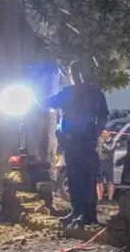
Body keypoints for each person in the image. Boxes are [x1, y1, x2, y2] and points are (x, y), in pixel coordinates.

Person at [43, 60, 109, 226]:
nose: (74, 77)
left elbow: (102, 117)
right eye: (72, 74)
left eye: (74, 73)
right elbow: (48, 103)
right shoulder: (68, 93)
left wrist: (94, 135)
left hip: (85, 141)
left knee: (87, 178)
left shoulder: (94, 93)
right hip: (71, 142)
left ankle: (88, 214)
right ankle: (77, 211)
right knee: (74, 177)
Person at [96, 130, 115, 203]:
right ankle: (100, 199)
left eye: (105, 133)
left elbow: (110, 148)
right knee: (99, 181)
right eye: (103, 133)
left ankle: (110, 199)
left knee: (110, 181)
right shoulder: (99, 141)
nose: (103, 134)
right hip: (99, 162)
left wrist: (103, 142)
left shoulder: (112, 141)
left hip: (108, 162)